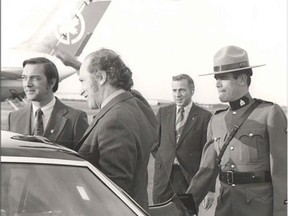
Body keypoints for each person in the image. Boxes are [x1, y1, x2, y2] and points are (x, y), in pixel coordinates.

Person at [186, 45, 287, 216]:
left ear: (241, 79)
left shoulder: (269, 113)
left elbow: (282, 170)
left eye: (223, 78)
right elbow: (207, 171)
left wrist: (281, 212)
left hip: (259, 209)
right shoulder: (216, 120)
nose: (217, 84)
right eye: (216, 78)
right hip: (226, 207)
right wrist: (184, 205)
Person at [75, 48, 158, 211]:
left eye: (83, 81)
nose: (81, 90)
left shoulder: (115, 119)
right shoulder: (135, 106)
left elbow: (114, 193)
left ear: (101, 77)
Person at [151, 74, 213, 205]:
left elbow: (209, 155)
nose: (177, 94)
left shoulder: (204, 117)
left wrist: (209, 188)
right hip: (164, 179)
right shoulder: (163, 113)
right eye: (174, 90)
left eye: (182, 90)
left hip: (189, 180)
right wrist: (165, 159)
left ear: (192, 90)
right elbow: (153, 144)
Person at [8, 57, 89, 150]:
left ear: (52, 82)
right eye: (24, 78)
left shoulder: (75, 119)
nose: (27, 84)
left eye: (34, 78)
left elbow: (85, 158)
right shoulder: (13, 118)